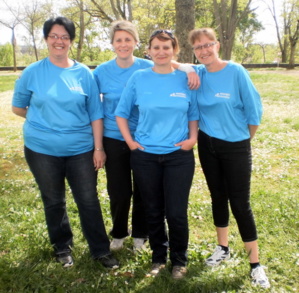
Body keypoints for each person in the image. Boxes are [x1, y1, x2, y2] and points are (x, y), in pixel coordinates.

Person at [11, 16, 119, 269]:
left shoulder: (83, 73)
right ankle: (62, 247)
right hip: (41, 149)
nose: (59, 41)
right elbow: (18, 107)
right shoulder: (33, 72)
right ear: (47, 39)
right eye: (54, 36)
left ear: (71, 41)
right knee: (53, 199)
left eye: (65, 37)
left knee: (88, 199)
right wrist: (45, 120)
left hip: (80, 149)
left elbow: (95, 113)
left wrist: (99, 147)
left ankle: (100, 250)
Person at [93, 20, 198, 252]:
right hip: (115, 137)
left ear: (137, 43)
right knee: (120, 192)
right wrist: (98, 146)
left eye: (128, 39)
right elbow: (92, 107)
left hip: (146, 138)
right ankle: (119, 232)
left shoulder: (144, 66)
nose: (123, 44)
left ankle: (141, 234)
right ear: (112, 44)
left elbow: (167, 61)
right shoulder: (101, 72)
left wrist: (189, 68)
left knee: (145, 190)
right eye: (118, 40)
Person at [188, 27, 270, 288]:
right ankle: (222, 248)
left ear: (218, 45)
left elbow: (254, 110)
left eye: (208, 44)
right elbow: (172, 63)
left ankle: (255, 264)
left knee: (240, 203)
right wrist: (189, 69)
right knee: (217, 197)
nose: (204, 50)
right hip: (207, 145)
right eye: (198, 47)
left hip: (236, 145)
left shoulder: (235, 71)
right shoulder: (197, 72)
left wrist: (242, 140)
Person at [115, 29, 199, 280]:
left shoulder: (186, 79)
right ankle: (158, 258)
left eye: (166, 47)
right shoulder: (139, 78)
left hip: (178, 157)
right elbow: (121, 113)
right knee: (152, 209)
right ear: (148, 51)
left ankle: (179, 261)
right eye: (156, 47)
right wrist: (130, 143)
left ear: (174, 50)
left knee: (176, 211)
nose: (161, 52)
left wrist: (193, 138)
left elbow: (192, 113)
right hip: (145, 156)